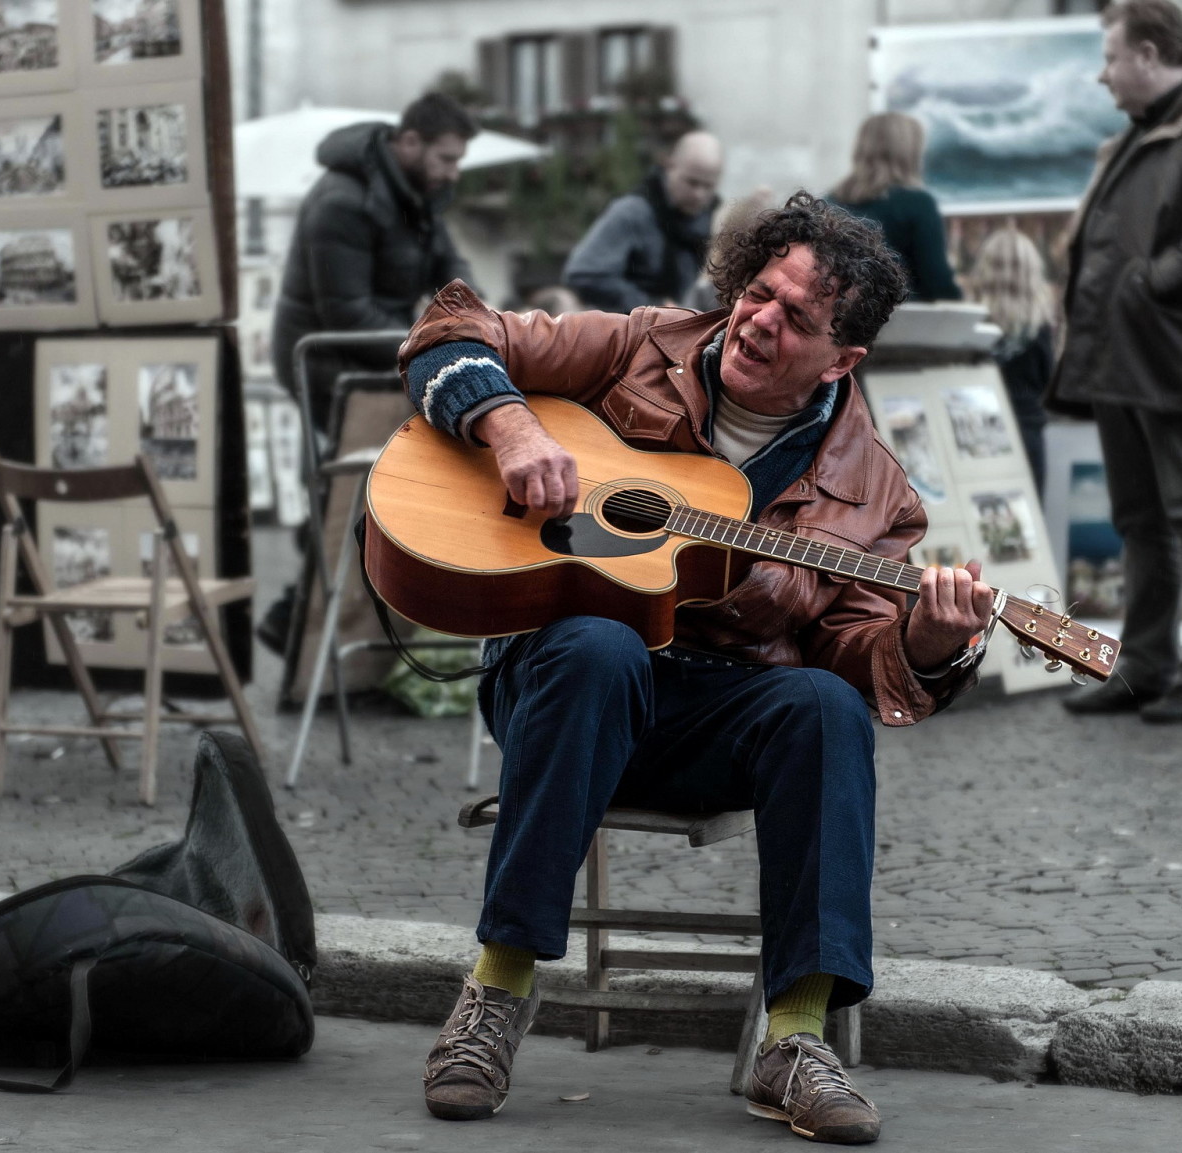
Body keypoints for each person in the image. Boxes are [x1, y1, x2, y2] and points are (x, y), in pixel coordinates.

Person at [400, 193, 993, 1145]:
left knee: (823, 708)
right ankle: (496, 993)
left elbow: (854, 653)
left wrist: (925, 643)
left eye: (797, 319)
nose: (760, 321)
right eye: (759, 293)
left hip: (710, 716)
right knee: (600, 645)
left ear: (843, 359)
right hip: (561, 681)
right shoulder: (639, 345)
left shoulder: (874, 489)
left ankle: (794, 1039)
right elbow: (448, 329)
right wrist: (508, 427)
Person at [1052, 0, 1182, 724]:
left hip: (1175, 356)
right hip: (1124, 357)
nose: (1102, 76)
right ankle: (1148, 663)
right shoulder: (1148, 131)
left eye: (1110, 58)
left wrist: (1156, 279)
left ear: (1150, 54)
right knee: (1139, 519)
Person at [262, 92, 479, 655]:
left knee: (361, 487)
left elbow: (449, 266)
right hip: (322, 359)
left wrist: (469, 309)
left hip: (380, 348)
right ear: (409, 143)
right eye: (446, 159)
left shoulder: (418, 191)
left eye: (458, 161)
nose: (453, 172)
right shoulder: (341, 202)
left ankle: (302, 617)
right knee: (347, 490)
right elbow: (345, 313)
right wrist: (430, 336)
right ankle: (302, 619)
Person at [562, 131, 723, 312]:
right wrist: (652, 306)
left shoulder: (716, 219)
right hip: (629, 331)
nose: (698, 194)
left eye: (708, 186)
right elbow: (584, 274)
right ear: (669, 166)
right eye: (691, 182)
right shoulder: (632, 213)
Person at [830, 113, 961, 302]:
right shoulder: (917, 204)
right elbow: (937, 284)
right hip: (899, 322)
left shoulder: (829, 202)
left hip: (836, 322)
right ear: (910, 153)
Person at [965, 227, 1054, 493]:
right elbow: (1047, 380)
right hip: (1026, 426)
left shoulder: (970, 322)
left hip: (977, 427)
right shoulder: (1039, 327)